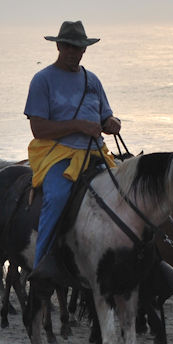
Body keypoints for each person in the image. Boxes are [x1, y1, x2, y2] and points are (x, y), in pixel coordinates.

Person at [25, 20, 122, 282]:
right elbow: (38, 128)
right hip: (60, 154)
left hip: (95, 152)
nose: (73, 52)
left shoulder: (93, 80)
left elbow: (106, 116)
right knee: (56, 197)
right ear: (58, 46)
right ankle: (42, 263)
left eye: (78, 47)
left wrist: (112, 123)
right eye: (68, 46)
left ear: (84, 50)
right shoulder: (43, 80)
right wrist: (77, 125)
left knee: (126, 193)